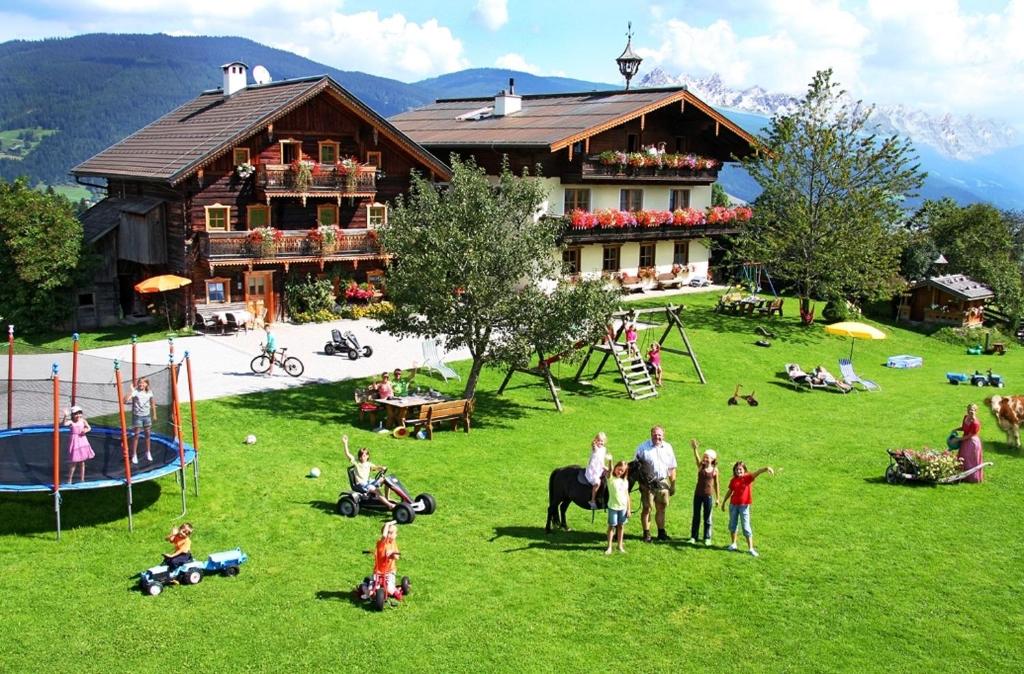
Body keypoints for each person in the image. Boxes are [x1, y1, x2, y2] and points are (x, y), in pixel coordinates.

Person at [721, 461, 774, 557]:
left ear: (744, 470)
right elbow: (730, 491)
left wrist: (766, 468)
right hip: (733, 505)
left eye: (740, 469)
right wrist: (724, 502)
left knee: (746, 527)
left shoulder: (748, 477)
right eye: (737, 469)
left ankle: (750, 549)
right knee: (733, 525)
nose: (738, 471)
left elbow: (757, 472)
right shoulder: (733, 480)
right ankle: (733, 544)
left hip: (744, 506)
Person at [634, 425, 677, 542]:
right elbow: (635, 467)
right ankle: (646, 533)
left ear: (663, 435)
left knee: (661, 508)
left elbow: (672, 467)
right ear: (651, 434)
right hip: (647, 483)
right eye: (655, 434)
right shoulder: (642, 447)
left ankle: (661, 533)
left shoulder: (668, 447)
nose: (657, 437)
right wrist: (641, 484)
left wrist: (673, 484)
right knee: (647, 508)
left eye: (659, 435)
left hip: (663, 482)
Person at [342, 434, 393, 509]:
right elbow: (348, 454)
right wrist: (345, 443)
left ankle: (387, 498)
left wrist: (382, 468)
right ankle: (389, 505)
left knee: (386, 480)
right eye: (361, 456)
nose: (362, 457)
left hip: (367, 482)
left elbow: (376, 468)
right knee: (376, 490)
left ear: (368, 456)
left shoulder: (369, 464)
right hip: (361, 485)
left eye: (365, 455)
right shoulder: (356, 463)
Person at [687, 439, 720, 546]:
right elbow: (697, 458)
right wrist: (695, 449)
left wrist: (718, 498)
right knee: (696, 516)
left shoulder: (715, 470)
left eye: (707, 457)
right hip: (698, 495)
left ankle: (707, 537)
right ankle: (693, 537)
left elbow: (716, 484)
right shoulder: (701, 466)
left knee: (707, 518)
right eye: (704, 456)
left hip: (708, 496)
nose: (705, 458)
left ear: (713, 459)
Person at [124, 377, 156, 464]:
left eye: (143, 383)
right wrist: (131, 390)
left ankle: (148, 452)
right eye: (140, 383)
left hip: (147, 416)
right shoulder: (135, 392)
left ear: (146, 384)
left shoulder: (149, 392)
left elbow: (152, 403)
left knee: (148, 435)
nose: (141, 384)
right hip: (138, 416)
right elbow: (125, 400)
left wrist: (154, 414)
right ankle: (134, 454)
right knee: (136, 435)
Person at [61, 405, 95, 484]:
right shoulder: (71, 422)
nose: (78, 415)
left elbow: (89, 427)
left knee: (82, 462)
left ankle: (82, 480)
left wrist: (85, 430)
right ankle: (69, 480)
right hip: (75, 442)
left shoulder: (82, 420)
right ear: (72, 415)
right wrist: (65, 416)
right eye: (76, 414)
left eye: (79, 413)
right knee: (74, 462)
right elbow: (63, 424)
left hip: (82, 441)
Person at [604, 461, 631, 554]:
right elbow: (610, 470)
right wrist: (610, 461)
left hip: (623, 508)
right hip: (613, 507)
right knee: (611, 526)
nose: (620, 472)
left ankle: (620, 546)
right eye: (619, 469)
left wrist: (629, 509)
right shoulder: (610, 478)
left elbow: (627, 496)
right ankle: (609, 547)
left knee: (621, 526)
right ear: (615, 468)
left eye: (622, 471)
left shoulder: (625, 481)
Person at [955, 403, 984, 483]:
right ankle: (962, 475)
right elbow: (964, 428)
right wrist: (956, 429)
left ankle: (971, 478)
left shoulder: (976, 423)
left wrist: (959, 439)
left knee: (970, 459)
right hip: (965, 441)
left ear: (976, 411)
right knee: (963, 457)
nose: (970, 412)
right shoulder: (965, 417)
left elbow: (970, 435)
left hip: (972, 443)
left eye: (972, 410)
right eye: (969, 410)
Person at [372, 521, 402, 598]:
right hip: (378, 571)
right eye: (389, 532)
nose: (390, 535)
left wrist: (392, 553)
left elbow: (397, 557)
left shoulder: (393, 543)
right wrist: (387, 524)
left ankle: (397, 591)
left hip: (390, 571)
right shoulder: (381, 543)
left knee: (389, 588)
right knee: (373, 589)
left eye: (392, 533)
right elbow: (384, 536)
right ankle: (364, 589)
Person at [585, 432, 612, 509]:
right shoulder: (595, 448)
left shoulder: (604, 449)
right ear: (596, 440)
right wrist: (594, 444)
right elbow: (594, 447)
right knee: (597, 482)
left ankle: (607, 496)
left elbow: (601, 460)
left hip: (600, 468)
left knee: (610, 475)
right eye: (599, 440)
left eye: (602, 441)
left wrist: (605, 467)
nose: (600, 442)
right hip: (593, 470)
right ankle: (592, 500)